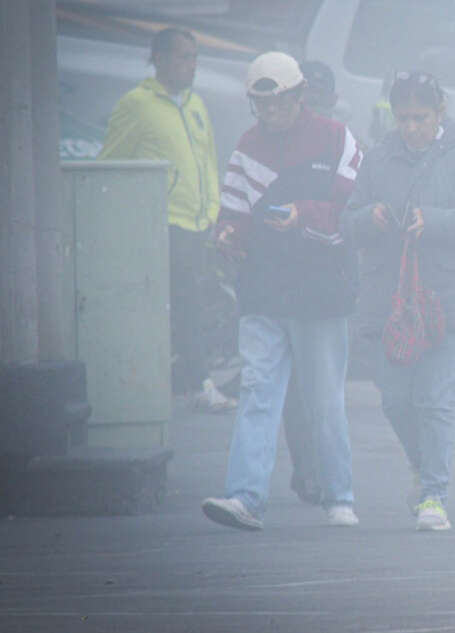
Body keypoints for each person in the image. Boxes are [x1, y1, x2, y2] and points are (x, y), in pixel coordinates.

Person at [201, 51, 362, 531]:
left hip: (321, 294)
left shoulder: (338, 139)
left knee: (326, 398)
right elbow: (233, 212)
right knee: (257, 391)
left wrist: (304, 216)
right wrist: (229, 235)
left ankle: (340, 496)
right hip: (263, 291)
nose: (269, 115)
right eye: (260, 105)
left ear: (299, 96)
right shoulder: (246, 147)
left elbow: (356, 212)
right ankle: (245, 497)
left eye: (278, 104)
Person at [345, 71, 455, 532]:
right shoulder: (377, 159)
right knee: (395, 400)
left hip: (448, 301)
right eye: (404, 117)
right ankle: (422, 466)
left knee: (435, 400)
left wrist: (431, 220)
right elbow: (346, 221)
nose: (411, 126)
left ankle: (434, 494)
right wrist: (367, 218)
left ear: (440, 113)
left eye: (421, 117)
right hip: (389, 303)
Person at [98, 27, 233, 412]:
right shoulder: (137, 104)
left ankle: (184, 378)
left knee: (194, 302)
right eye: (181, 57)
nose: (190, 66)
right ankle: (196, 381)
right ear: (158, 58)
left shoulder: (195, 104)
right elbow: (112, 162)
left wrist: (215, 209)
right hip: (163, 221)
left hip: (198, 222)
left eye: (194, 57)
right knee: (181, 302)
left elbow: (207, 160)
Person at [281, 59, 341, 506]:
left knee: (319, 386)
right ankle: (309, 469)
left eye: (321, 97)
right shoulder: (273, 143)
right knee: (299, 385)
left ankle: (316, 469)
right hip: (288, 274)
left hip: (329, 277)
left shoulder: (344, 145)